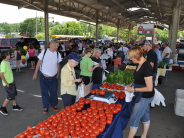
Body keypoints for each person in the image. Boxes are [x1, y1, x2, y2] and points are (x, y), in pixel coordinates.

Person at [126, 46, 154, 138]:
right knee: (144, 116)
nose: (130, 59)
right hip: (140, 94)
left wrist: (133, 89)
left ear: (137, 56)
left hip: (145, 96)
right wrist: (131, 84)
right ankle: (144, 136)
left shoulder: (147, 67)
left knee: (135, 118)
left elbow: (149, 88)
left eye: (131, 57)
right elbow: (137, 77)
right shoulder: (139, 64)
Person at [33, 39, 62, 114]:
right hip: (43, 77)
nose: (56, 47)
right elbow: (39, 62)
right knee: (44, 92)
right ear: (51, 45)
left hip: (54, 77)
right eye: (55, 46)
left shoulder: (57, 54)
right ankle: (45, 106)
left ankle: (54, 105)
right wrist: (35, 73)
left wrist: (58, 73)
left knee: (54, 92)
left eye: (57, 46)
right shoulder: (44, 52)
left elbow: (58, 64)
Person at [0, 51, 23, 115]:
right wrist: (6, 83)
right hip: (8, 83)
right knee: (10, 96)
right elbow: (1, 74)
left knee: (14, 94)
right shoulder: (3, 63)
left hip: (11, 82)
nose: (10, 55)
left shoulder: (7, 62)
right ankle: (2, 108)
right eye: (9, 54)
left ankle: (14, 106)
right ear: (6, 56)